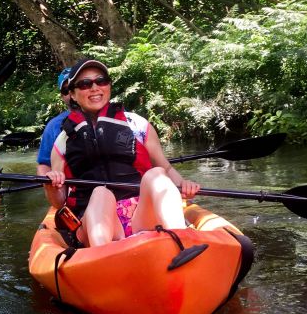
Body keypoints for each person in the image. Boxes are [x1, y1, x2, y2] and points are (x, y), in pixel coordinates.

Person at [43, 58, 200, 247]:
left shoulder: (138, 126)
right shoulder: (62, 141)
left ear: (108, 86)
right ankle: (103, 257)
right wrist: (51, 185)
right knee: (101, 192)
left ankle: (181, 241)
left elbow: (164, 166)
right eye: (85, 84)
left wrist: (182, 185)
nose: (94, 88)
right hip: (95, 219)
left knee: (156, 174)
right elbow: (59, 202)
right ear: (74, 95)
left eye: (101, 81)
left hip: (139, 215)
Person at [36, 67, 74, 177]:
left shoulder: (113, 115)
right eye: (66, 91)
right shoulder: (54, 125)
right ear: (62, 96)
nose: (71, 93)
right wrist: (49, 183)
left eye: (74, 87)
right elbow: (44, 165)